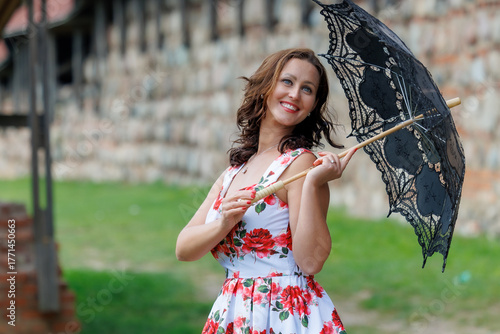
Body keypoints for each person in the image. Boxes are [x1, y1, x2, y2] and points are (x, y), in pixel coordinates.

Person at [176, 48, 356, 334]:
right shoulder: (235, 172)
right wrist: (224, 223)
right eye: (287, 81)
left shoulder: (301, 164)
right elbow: (184, 248)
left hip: (283, 314)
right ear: (265, 87)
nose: (295, 94)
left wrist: (311, 183)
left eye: (307, 89)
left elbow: (310, 262)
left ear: (313, 105)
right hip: (233, 312)